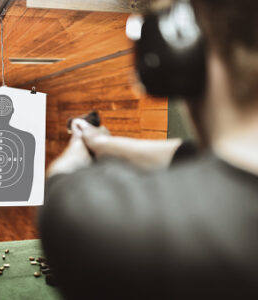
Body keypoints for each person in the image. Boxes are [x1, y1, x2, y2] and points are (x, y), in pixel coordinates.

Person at [39, 0, 258, 299]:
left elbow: (61, 186)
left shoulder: (120, 229)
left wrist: (80, 140)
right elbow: (191, 155)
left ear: (182, 58)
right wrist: (101, 142)